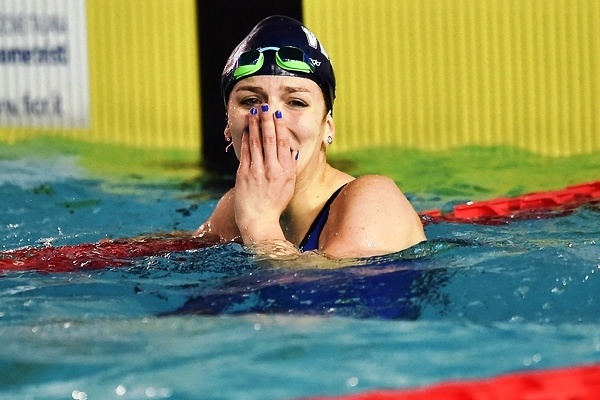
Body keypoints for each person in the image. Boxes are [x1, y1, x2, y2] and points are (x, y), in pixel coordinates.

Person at [194, 15, 426, 259]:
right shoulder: (237, 206)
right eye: (251, 100)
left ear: (328, 127)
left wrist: (260, 224)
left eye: (296, 102)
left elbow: (332, 292)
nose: (271, 118)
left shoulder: (374, 199)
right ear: (228, 127)